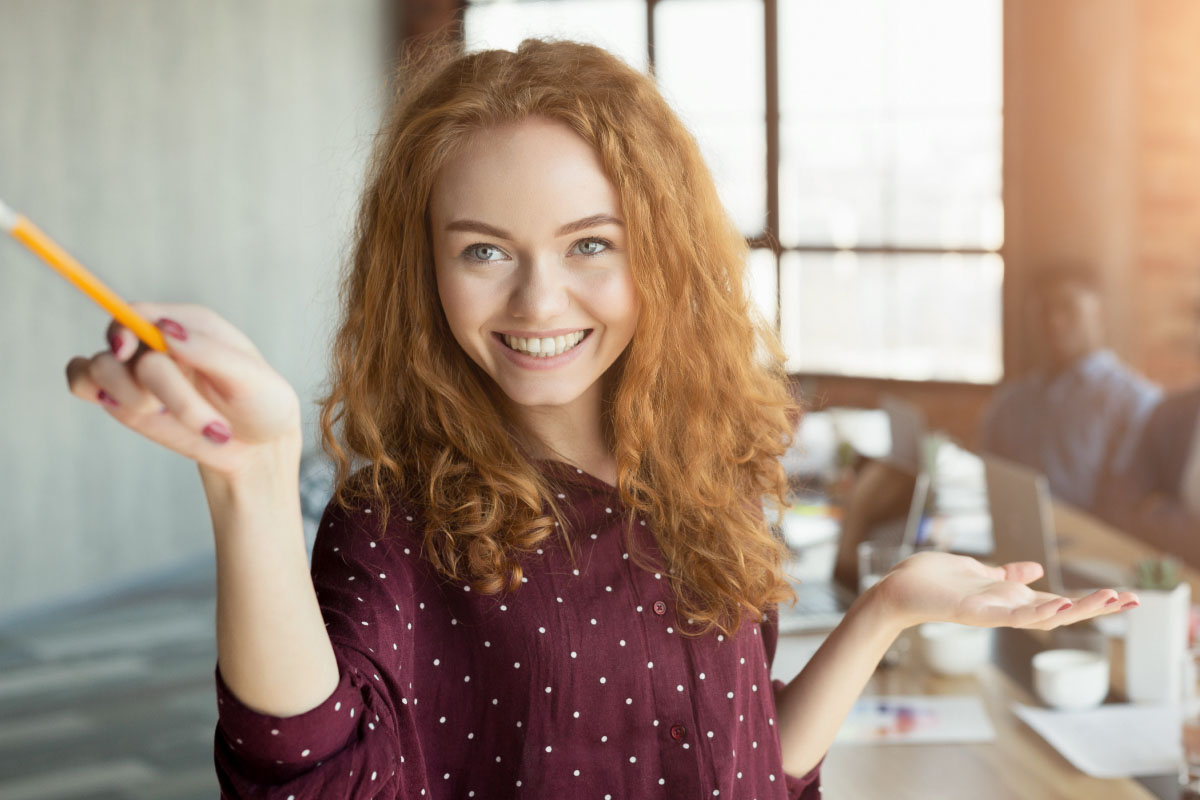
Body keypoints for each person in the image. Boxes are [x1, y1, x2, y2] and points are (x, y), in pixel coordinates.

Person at [65, 38, 1138, 799]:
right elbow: (312, 777)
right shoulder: (396, 517)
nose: (539, 304)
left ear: (659, 254)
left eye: (590, 244)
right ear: (424, 270)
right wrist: (250, 481)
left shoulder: (705, 474)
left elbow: (748, 763)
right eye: (484, 249)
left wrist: (888, 609)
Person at [979, 265, 1161, 512]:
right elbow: (985, 481)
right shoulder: (1010, 402)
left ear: (1100, 314)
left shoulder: (1136, 401)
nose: (1055, 321)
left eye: (1068, 307)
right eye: (1044, 311)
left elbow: (1137, 507)